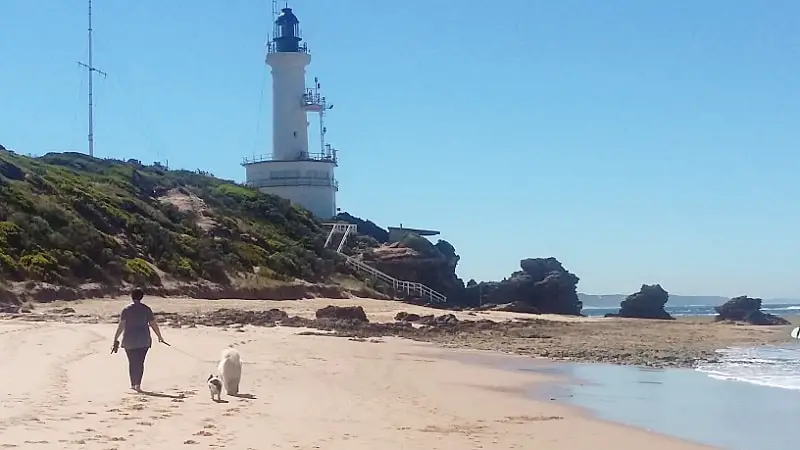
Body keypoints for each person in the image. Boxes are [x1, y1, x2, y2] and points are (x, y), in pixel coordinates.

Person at [112, 288, 167, 392]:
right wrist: (159, 336)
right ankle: (138, 384)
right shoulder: (146, 309)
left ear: (131, 296)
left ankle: (133, 384)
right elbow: (153, 324)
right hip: (144, 340)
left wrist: (115, 338)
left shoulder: (126, 309)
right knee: (140, 363)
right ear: (142, 297)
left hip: (129, 340)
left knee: (132, 362)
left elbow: (121, 325)